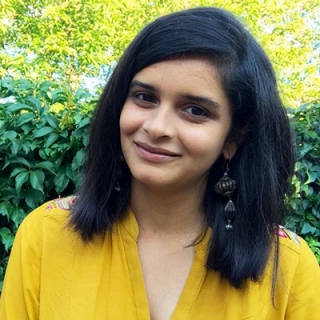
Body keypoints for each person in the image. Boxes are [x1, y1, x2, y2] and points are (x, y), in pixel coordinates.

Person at [0, 6, 319, 320]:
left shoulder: (288, 270)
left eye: (195, 110)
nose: (156, 127)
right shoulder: (46, 236)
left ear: (232, 139)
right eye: (145, 97)